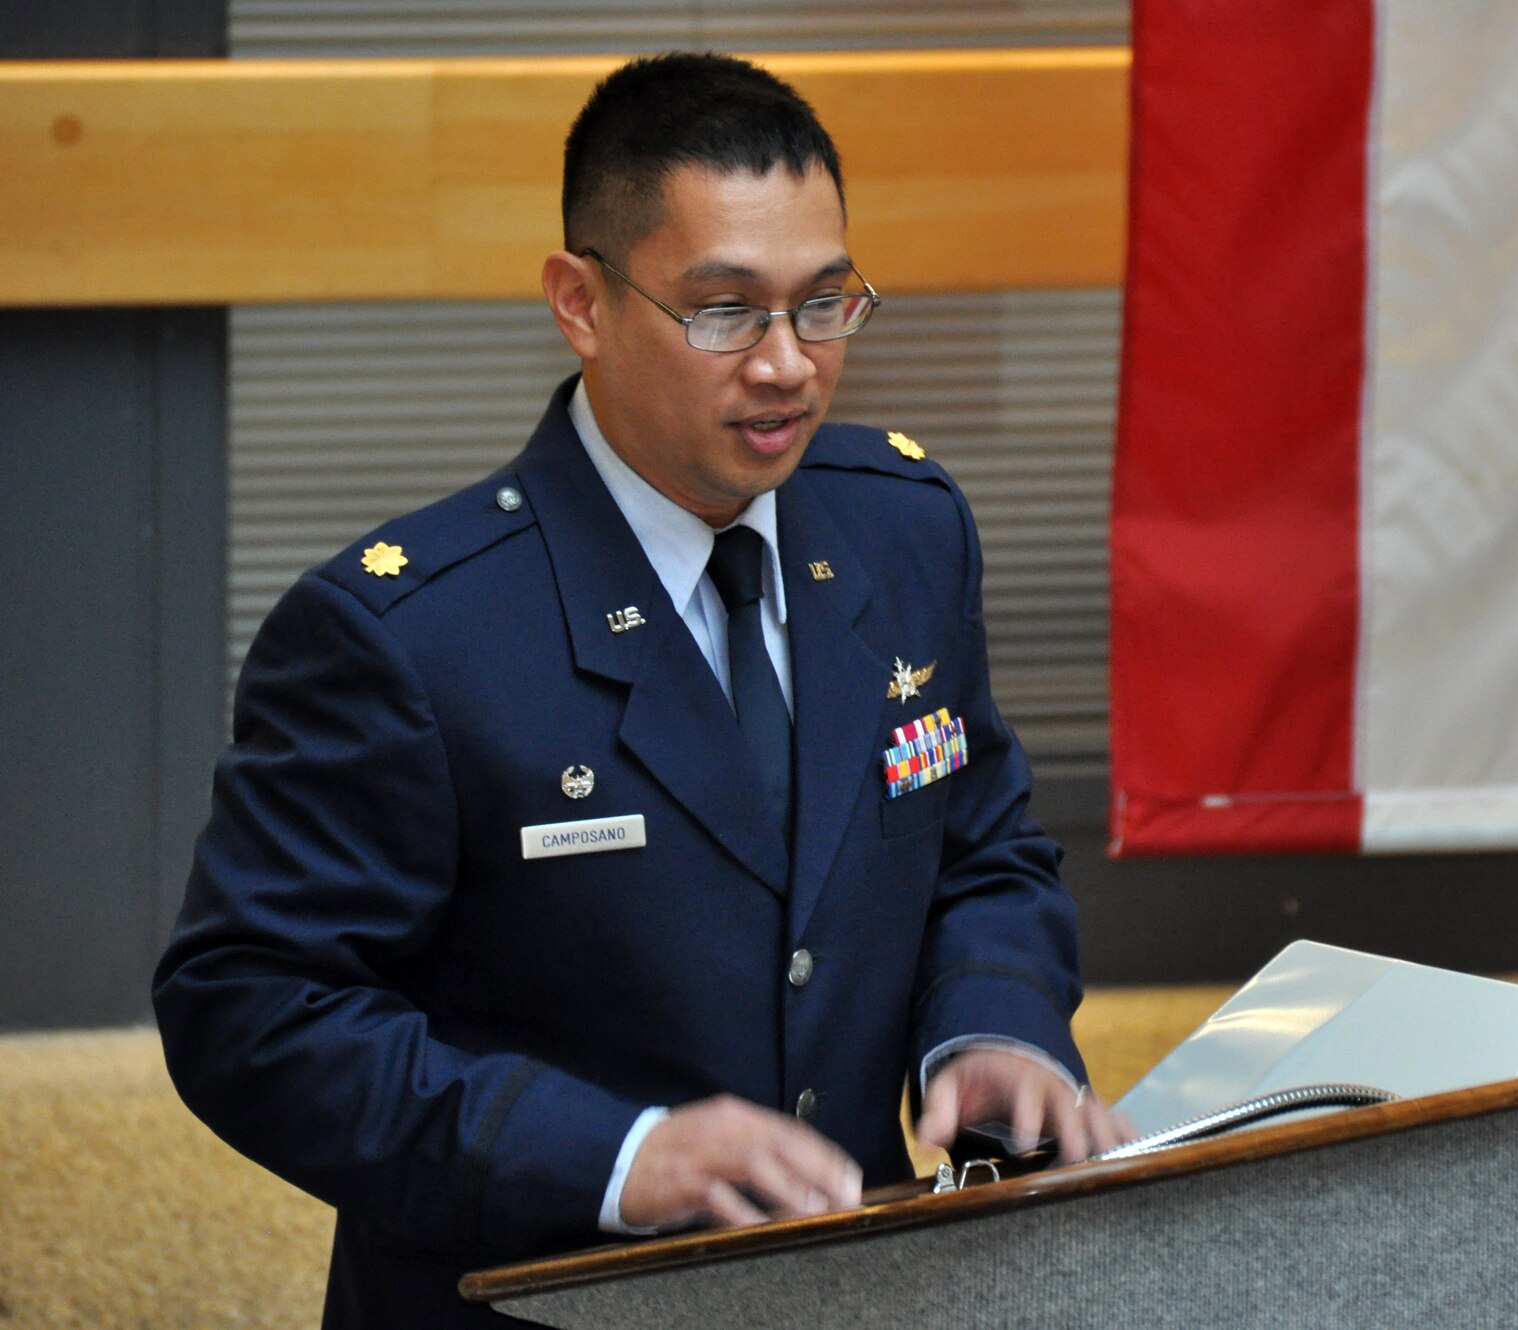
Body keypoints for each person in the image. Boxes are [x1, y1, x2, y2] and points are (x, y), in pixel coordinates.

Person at [153, 52, 1127, 1328]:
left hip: (867, 1286)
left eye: (822, 304)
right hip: (542, 1292)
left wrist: (990, 1028)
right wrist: (613, 1157)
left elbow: (979, 849)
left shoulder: (902, 531)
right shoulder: (407, 636)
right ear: (580, 301)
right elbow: (250, 1011)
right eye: (724, 311)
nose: (786, 364)